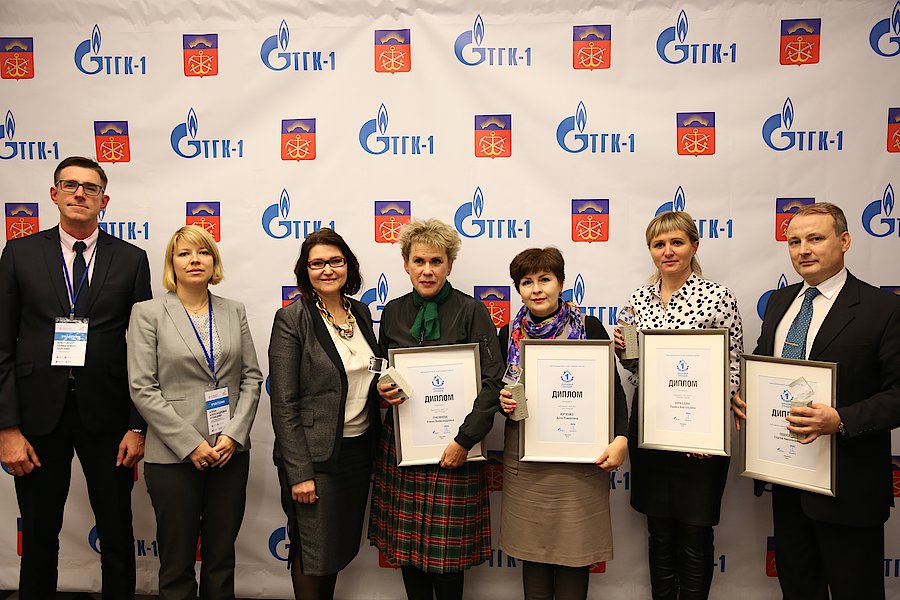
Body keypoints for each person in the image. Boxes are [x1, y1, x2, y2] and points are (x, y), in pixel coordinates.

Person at [732, 203, 900, 600]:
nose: (803, 250)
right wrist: (746, 395)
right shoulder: (779, 303)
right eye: (794, 242)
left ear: (845, 241)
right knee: (798, 589)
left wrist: (840, 419)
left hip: (848, 487)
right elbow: (766, 367)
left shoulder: (884, 309)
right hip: (787, 482)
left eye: (815, 238)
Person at [0, 156, 151, 599]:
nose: (80, 193)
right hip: (36, 416)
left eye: (90, 188)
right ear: (54, 194)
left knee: (117, 532)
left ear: (105, 200)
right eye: (70, 185)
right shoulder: (19, 253)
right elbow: (2, 344)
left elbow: (143, 349)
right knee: (39, 534)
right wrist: (7, 427)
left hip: (108, 417)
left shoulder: (131, 259)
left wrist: (137, 425)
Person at [368, 218, 504, 600]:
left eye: (436, 261)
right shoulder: (392, 312)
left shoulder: (472, 310)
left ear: (450, 265)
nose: (427, 270)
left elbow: (493, 381)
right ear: (406, 264)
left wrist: (465, 440)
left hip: (456, 447)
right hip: (404, 446)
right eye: (419, 261)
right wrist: (382, 387)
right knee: (407, 553)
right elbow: (381, 368)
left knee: (447, 559)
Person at [127, 225, 262, 600]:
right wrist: (190, 444)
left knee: (221, 560)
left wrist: (233, 434)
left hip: (229, 452)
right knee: (176, 564)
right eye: (184, 253)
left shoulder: (233, 310)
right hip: (173, 457)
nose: (194, 260)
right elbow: (142, 387)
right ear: (171, 263)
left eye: (203, 252)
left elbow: (252, 378)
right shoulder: (148, 313)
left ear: (214, 261)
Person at [614, 211, 743, 600]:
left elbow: (732, 366)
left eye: (676, 242)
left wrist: (710, 426)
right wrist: (624, 351)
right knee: (659, 530)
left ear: (694, 246)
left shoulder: (718, 296)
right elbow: (634, 367)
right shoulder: (636, 300)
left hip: (701, 430)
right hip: (651, 426)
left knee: (696, 529)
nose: (667, 251)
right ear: (650, 251)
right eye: (659, 244)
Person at [497, 247, 628, 600]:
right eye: (527, 282)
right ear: (518, 289)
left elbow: (613, 390)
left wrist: (621, 437)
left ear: (561, 282)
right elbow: (496, 390)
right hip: (527, 458)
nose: (537, 289)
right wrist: (502, 402)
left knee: (575, 552)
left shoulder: (589, 327)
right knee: (532, 551)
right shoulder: (507, 334)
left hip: (580, 458)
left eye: (545, 279)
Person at [269, 228, 382, 600]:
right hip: (314, 458)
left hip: (357, 451)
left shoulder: (360, 312)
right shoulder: (292, 319)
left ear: (349, 266)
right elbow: (284, 403)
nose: (328, 269)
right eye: (317, 263)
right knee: (313, 550)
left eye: (336, 261)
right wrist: (299, 473)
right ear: (306, 270)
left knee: (335, 549)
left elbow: (367, 372)